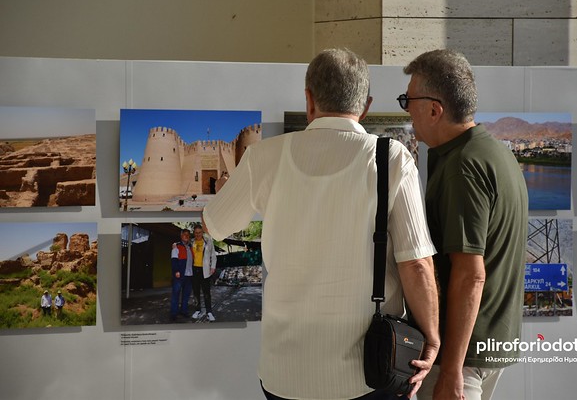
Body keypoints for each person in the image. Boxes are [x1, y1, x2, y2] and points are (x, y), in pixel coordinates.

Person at [202, 48, 440, 400]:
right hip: (369, 372)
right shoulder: (391, 158)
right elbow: (416, 264)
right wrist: (432, 338)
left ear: (309, 100)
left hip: (285, 376)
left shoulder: (263, 157)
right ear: (366, 106)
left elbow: (213, 224)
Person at [399, 49, 528, 400]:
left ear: (434, 109)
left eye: (408, 101)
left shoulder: (463, 166)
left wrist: (451, 370)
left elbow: (471, 274)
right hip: (487, 344)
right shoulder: (494, 152)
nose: (407, 111)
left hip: (462, 356)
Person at [191, 224, 217, 322]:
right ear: (194, 233)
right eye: (196, 233)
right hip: (194, 270)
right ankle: (197, 310)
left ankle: (209, 312)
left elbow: (213, 255)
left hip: (205, 270)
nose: (198, 234)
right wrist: (175, 244)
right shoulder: (191, 242)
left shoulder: (208, 241)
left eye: (199, 232)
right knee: (196, 292)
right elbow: (183, 244)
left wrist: (213, 267)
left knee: (206, 293)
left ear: (202, 232)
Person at [170, 228, 194, 321]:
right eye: (184, 234)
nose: (186, 236)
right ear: (181, 236)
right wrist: (176, 271)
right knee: (175, 294)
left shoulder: (191, 247)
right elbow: (174, 260)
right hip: (179, 275)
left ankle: (184, 311)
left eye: (188, 234)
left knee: (186, 295)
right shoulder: (176, 246)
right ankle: (174, 313)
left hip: (189, 275)